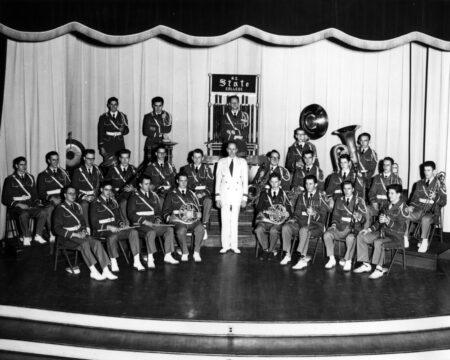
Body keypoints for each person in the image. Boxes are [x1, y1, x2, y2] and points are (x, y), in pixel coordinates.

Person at [53, 186, 117, 281]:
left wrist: (83, 230)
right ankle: (93, 271)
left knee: (96, 243)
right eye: (70, 193)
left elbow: (82, 223)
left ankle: (105, 270)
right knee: (84, 244)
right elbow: (57, 229)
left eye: (74, 193)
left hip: (79, 234)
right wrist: (75, 234)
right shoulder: (59, 209)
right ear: (65, 195)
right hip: (66, 238)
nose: (73, 196)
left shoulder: (77, 206)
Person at [354, 184, 411, 279]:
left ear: (399, 194)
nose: (389, 195)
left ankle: (379, 269)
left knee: (378, 242)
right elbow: (378, 222)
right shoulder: (386, 205)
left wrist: (388, 222)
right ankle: (366, 264)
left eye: (392, 193)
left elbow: (402, 228)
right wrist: (369, 229)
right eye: (388, 193)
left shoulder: (403, 208)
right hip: (383, 233)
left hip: (395, 237)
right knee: (361, 236)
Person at [90, 181, 144, 272]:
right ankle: (113, 261)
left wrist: (121, 224)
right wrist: (109, 227)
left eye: (110, 190)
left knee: (133, 232)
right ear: (101, 190)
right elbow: (94, 223)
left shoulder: (112, 202)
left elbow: (118, 218)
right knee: (113, 236)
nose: (108, 192)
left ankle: (137, 261)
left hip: (115, 229)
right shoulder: (95, 203)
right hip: (101, 230)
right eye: (106, 190)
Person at [127, 175, 179, 268]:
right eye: (145, 184)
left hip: (153, 223)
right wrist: (144, 221)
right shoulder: (134, 196)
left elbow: (158, 211)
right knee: (151, 232)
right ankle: (150, 258)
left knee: (169, 229)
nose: (148, 186)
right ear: (140, 185)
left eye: (149, 184)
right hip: (140, 225)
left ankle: (168, 255)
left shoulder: (154, 195)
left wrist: (158, 219)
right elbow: (131, 215)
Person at [283, 175, 329, 269]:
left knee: (304, 230)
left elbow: (323, 217)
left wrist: (314, 214)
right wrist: (293, 219)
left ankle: (302, 259)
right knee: (286, 227)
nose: (308, 186)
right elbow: (296, 213)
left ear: (315, 184)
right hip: (301, 224)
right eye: (306, 184)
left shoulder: (321, 197)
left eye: (310, 184)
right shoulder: (302, 196)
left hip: (316, 226)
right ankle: (287, 254)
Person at [2, 157, 48, 246]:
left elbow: (34, 195)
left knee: (43, 212)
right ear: (16, 166)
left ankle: (38, 235)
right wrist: (18, 204)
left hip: (30, 205)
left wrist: (37, 203)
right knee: (24, 214)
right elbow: (5, 199)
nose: (24, 167)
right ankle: (26, 236)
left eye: (25, 164)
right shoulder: (10, 179)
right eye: (21, 164)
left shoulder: (30, 177)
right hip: (16, 207)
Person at [322, 181, 368, 271]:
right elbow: (335, 215)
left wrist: (359, 217)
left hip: (353, 228)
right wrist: (334, 225)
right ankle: (331, 259)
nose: (347, 191)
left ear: (353, 189)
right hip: (340, 227)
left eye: (349, 188)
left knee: (350, 238)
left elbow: (364, 220)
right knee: (327, 234)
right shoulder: (339, 200)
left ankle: (348, 260)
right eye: (345, 189)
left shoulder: (359, 201)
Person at [163, 173, 205, 262]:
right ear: (177, 181)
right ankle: (185, 252)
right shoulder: (171, 194)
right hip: (178, 221)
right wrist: (169, 217)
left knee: (201, 228)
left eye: (185, 180)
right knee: (181, 231)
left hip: (192, 221)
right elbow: (165, 211)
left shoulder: (192, 194)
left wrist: (199, 213)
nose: (183, 183)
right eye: (181, 181)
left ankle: (197, 252)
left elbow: (198, 208)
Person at [215, 141, 248, 253]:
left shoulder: (242, 162)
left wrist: (244, 197)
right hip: (224, 194)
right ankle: (225, 245)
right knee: (225, 220)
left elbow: (245, 180)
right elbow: (218, 180)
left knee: (234, 221)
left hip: (237, 194)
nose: (232, 151)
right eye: (230, 149)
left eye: (234, 149)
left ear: (237, 150)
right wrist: (217, 197)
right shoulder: (221, 162)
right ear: (227, 150)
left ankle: (234, 245)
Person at [407, 161, 447, 253]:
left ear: (434, 171)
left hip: (433, 211)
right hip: (419, 209)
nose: (426, 172)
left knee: (425, 219)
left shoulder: (440, 184)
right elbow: (414, 199)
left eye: (428, 170)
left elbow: (444, 202)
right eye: (424, 170)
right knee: (405, 213)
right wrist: (411, 207)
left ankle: (424, 241)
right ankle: (405, 238)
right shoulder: (419, 183)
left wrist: (435, 197)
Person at [254, 173, 292, 260]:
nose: (274, 184)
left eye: (276, 182)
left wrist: (287, 213)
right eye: (272, 182)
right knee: (258, 229)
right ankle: (265, 249)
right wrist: (266, 212)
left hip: (278, 222)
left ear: (279, 182)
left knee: (273, 230)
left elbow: (289, 210)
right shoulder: (264, 194)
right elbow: (258, 209)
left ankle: (271, 251)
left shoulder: (284, 195)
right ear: (269, 182)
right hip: (266, 220)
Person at [37, 151, 71, 236]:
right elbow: (41, 193)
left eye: (57, 159)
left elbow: (69, 188)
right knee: (50, 209)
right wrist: (52, 198)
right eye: (53, 160)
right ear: (48, 161)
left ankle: (69, 231)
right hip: (50, 200)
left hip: (63, 198)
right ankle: (51, 232)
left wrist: (63, 198)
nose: (56, 162)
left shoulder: (64, 173)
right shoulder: (43, 175)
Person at [71, 149, 104, 233]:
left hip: (95, 195)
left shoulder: (97, 169)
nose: (91, 161)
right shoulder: (78, 171)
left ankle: (98, 227)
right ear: (84, 158)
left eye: (93, 159)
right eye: (88, 159)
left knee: (98, 203)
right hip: (83, 196)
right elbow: (74, 189)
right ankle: (87, 228)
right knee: (84, 204)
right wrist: (85, 196)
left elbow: (102, 183)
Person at [183, 148, 214, 231]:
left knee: (208, 201)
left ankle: (204, 223)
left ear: (202, 158)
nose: (197, 159)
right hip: (191, 194)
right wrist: (193, 193)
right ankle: (190, 222)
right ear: (192, 158)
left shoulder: (207, 169)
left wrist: (203, 194)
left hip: (203, 194)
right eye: (195, 157)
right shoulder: (186, 169)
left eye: (199, 157)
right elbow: (183, 184)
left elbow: (210, 185)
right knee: (186, 201)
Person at [367, 157, 402, 225]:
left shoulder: (397, 179)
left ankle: (384, 232)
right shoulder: (377, 178)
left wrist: (392, 205)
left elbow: (399, 196)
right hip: (377, 204)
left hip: (389, 205)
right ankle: (366, 232)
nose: (385, 167)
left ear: (392, 166)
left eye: (388, 165)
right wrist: (373, 202)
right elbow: (371, 193)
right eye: (384, 165)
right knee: (367, 209)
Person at [105, 149, 137, 219]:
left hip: (131, 194)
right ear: (119, 158)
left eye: (127, 158)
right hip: (117, 195)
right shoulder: (112, 170)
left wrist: (133, 188)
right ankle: (126, 223)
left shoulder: (134, 170)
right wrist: (111, 192)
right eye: (123, 158)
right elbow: (106, 183)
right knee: (124, 202)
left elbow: (139, 184)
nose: (125, 160)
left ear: (129, 158)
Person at [97, 97, 129, 161]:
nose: (113, 106)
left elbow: (127, 130)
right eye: (111, 104)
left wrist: (123, 131)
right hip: (108, 144)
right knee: (108, 163)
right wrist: (101, 147)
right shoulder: (103, 117)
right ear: (108, 105)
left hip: (119, 143)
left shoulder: (123, 116)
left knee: (120, 163)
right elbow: (100, 133)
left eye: (115, 104)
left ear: (117, 105)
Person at [142, 96, 172, 160]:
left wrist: (163, 120)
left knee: (163, 164)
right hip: (151, 143)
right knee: (149, 164)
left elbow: (168, 129)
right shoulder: (148, 116)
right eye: (156, 106)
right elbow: (145, 131)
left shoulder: (167, 115)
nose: (158, 108)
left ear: (163, 105)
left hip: (162, 143)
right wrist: (160, 132)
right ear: (153, 105)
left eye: (160, 106)